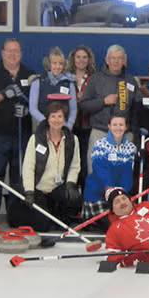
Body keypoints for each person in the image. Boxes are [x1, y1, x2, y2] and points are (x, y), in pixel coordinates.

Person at [0, 38, 37, 224]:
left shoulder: (30, 75)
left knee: (19, 177)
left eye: (16, 51)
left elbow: (38, 102)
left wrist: (29, 109)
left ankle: (15, 217)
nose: (13, 55)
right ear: (2, 52)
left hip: (23, 134)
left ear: (21, 53)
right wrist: (4, 94)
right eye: (9, 51)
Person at [11, 102, 81, 231]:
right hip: (38, 189)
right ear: (47, 119)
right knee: (43, 226)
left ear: (65, 119)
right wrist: (29, 192)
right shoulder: (36, 139)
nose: (56, 120)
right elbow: (28, 167)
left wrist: (71, 184)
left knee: (75, 198)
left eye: (60, 116)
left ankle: (60, 216)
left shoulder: (72, 139)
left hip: (58, 188)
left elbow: (75, 166)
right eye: (53, 116)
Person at [80, 44, 138, 175]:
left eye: (119, 58)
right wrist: (103, 101)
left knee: (122, 175)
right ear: (107, 60)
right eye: (113, 58)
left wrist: (132, 133)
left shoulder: (131, 81)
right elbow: (84, 105)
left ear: (124, 61)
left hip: (124, 135)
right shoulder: (96, 79)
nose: (116, 61)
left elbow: (135, 110)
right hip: (100, 132)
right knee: (96, 173)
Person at [82, 115, 136, 231]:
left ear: (126, 127)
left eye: (121, 125)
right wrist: (112, 191)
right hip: (98, 194)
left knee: (128, 223)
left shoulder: (130, 147)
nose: (118, 128)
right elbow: (101, 171)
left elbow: (127, 173)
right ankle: (94, 220)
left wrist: (122, 192)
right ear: (109, 126)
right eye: (114, 125)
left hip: (117, 196)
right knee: (114, 227)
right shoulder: (100, 145)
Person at [67, 44, 97, 190]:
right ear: (73, 59)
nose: (81, 60)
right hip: (69, 127)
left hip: (87, 125)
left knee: (85, 163)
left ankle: (85, 202)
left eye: (84, 57)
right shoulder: (66, 77)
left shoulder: (94, 78)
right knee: (70, 162)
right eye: (78, 57)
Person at [28, 46, 78, 130]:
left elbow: (73, 109)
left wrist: (69, 125)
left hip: (63, 128)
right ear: (49, 64)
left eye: (60, 63)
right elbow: (33, 109)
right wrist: (49, 123)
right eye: (54, 63)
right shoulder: (37, 82)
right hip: (42, 127)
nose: (57, 67)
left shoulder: (69, 84)